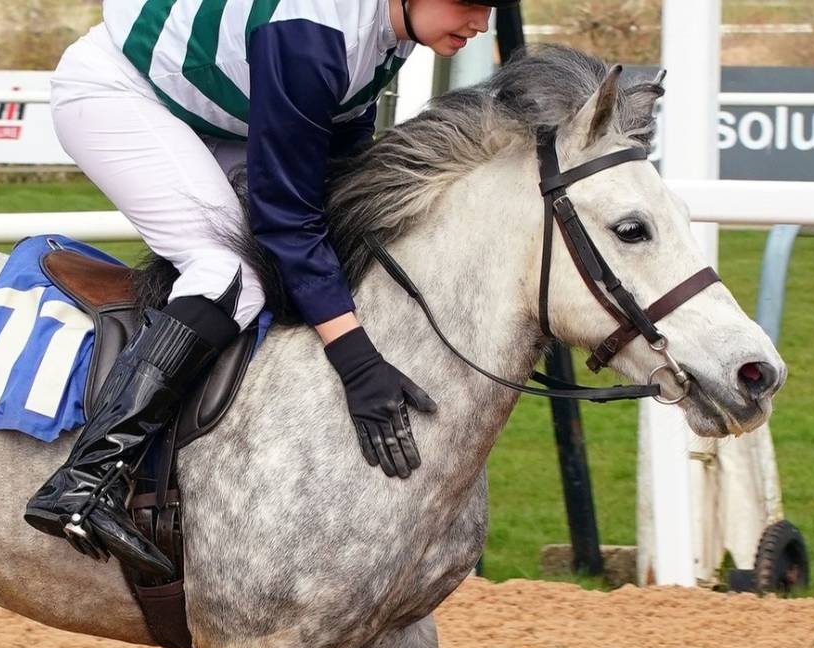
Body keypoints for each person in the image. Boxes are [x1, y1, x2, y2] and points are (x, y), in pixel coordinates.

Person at [25, 0, 516, 576]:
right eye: (468, 3)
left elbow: (335, 171)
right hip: (120, 96)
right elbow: (286, 218)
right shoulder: (315, 35)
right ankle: (84, 479)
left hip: (210, 116)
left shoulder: (393, 35)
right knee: (231, 275)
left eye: (487, 8)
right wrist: (356, 361)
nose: (480, 23)